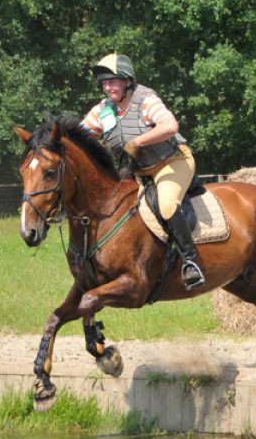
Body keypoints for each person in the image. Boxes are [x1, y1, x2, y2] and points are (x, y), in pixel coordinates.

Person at [81, 52, 205, 290]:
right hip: (139, 170)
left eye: (112, 81)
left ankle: (190, 262)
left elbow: (170, 126)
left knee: (167, 205)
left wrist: (138, 142)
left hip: (172, 162)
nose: (107, 87)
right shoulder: (104, 110)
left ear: (127, 80)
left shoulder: (146, 100)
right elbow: (81, 134)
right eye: (104, 83)